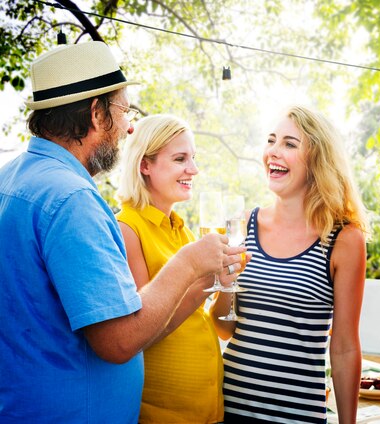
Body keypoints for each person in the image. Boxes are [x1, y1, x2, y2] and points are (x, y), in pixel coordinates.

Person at [0, 41, 243, 423]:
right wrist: (188, 263)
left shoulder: (10, 180)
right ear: (97, 114)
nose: (129, 126)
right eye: (123, 110)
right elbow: (118, 341)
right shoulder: (72, 197)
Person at [211, 105, 369, 423]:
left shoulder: (344, 239)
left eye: (289, 144)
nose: (273, 152)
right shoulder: (243, 224)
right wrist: (225, 287)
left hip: (300, 415)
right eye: (271, 141)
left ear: (317, 159)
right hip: (230, 409)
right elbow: (223, 327)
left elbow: (344, 346)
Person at [116, 114, 232, 423]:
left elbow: (211, 322)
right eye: (180, 159)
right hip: (163, 414)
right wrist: (202, 277)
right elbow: (141, 331)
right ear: (145, 165)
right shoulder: (127, 229)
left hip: (208, 409)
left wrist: (228, 284)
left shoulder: (184, 232)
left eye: (193, 158)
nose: (193, 169)